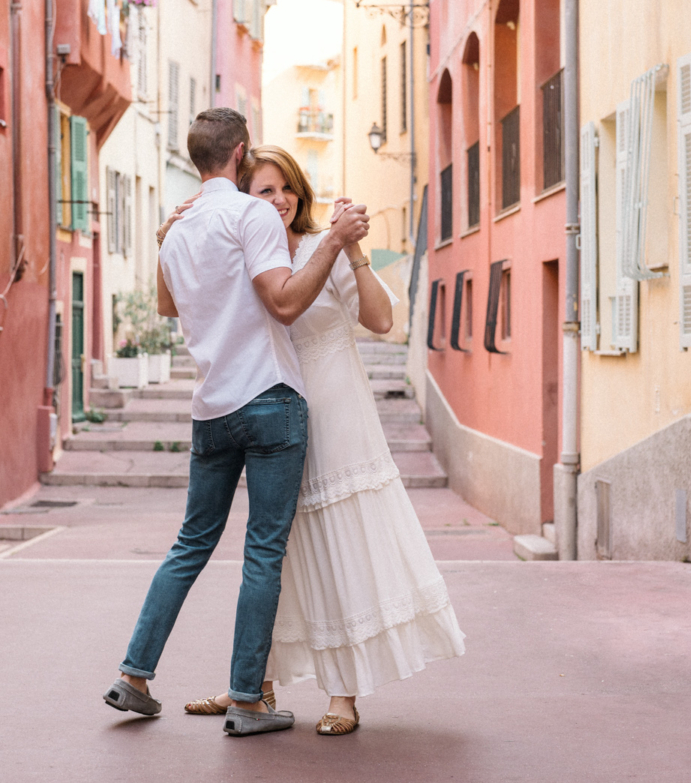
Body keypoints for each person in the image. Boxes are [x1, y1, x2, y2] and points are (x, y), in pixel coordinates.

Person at [160, 146, 465, 737]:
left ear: (298, 192)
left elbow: (381, 321)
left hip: (337, 413)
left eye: (284, 190)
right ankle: (256, 685)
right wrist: (177, 235)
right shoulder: (244, 250)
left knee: (338, 546)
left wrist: (352, 251)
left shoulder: (317, 248)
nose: (276, 202)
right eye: (261, 192)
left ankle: (344, 694)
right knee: (273, 554)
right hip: (273, 414)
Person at [103, 110, 370, 738]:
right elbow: (281, 300)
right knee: (263, 552)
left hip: (211, 409)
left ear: (196, 157)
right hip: (270, 399)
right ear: (240, 154)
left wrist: (170, 237)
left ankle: (135, 677)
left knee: (190, 545)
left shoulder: (181, 226)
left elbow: (169, 305)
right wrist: (332, 241)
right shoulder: (251, 215)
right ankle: (249, 700)